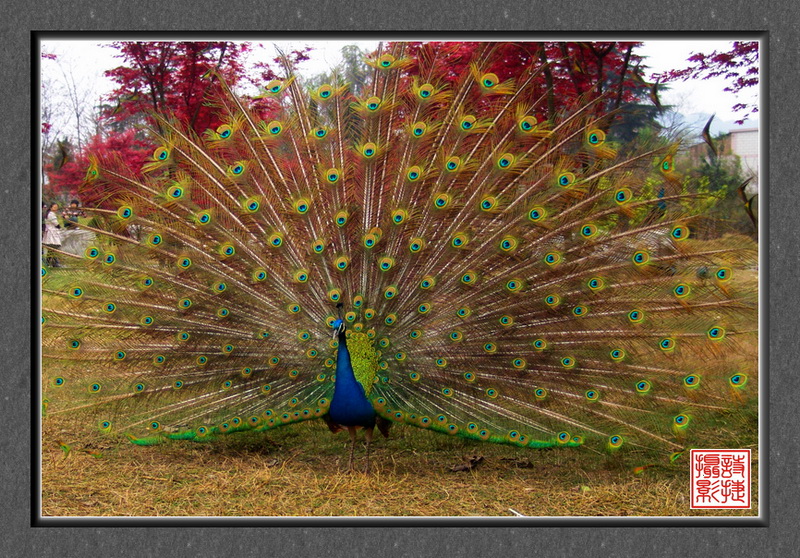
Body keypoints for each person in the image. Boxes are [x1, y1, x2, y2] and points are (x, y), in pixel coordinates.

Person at [42, 202, 62, 267]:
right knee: (53, 247)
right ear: (51, 207)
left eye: (56, 207)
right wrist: (59, 227)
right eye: (54, 207)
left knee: (52, 248)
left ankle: (49, 263)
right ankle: (53, 263)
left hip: (51, 231)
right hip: (51, 232)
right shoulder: (51, 214)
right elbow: (55, 223)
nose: (56, 208)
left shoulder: (50, 213)